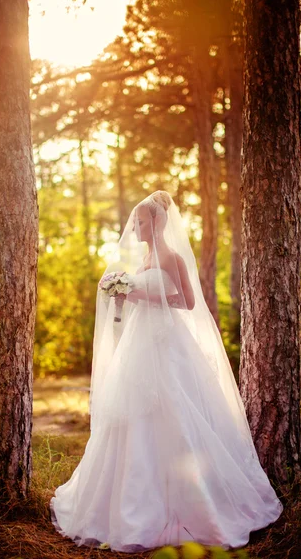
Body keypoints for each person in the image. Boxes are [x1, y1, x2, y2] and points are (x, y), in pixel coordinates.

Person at [50, 190, 283, 553]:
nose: (135, 226)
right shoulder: (145, 257)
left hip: (167, 343)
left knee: (175, 406)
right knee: (132, 413)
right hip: (140, 343)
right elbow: (145, 297)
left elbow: (188, 302)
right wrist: (123, 292)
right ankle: (129, 501)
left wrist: (139, 295)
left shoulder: (171, 257)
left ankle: (194, 502)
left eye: (140, 221)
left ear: (156, 222)